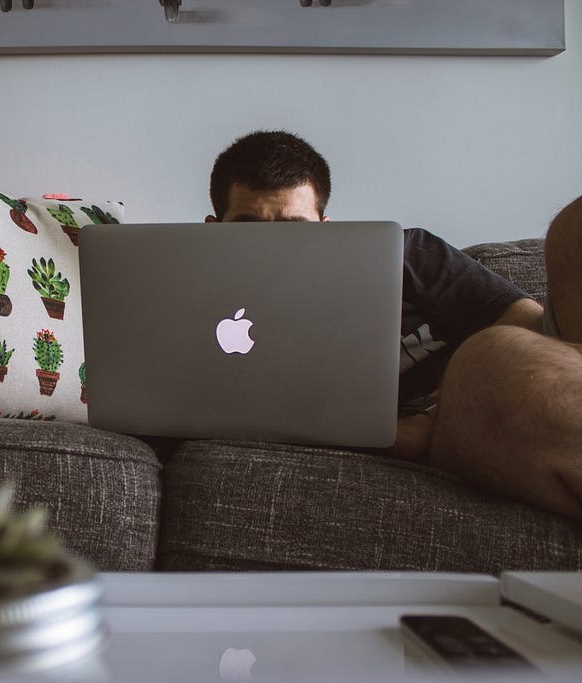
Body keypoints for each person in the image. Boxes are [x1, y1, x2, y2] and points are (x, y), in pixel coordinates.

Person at [207, 130, 582, 521]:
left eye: (295, 228)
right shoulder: (198, 309)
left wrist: (425, 419)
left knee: (572, 231)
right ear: (213, 231)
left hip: (475, 398)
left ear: (326, 226)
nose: (273, 251)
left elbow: (528, 323)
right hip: (468, 422)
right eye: (249, 228)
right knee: (487, 363)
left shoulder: (404, 254)